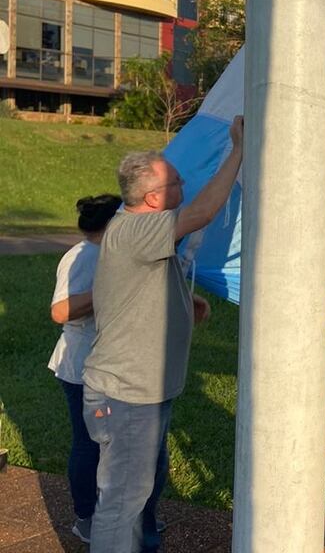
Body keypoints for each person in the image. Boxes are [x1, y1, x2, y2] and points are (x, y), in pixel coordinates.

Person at [82, 116, 243, 552]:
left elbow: (133, 289)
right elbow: (204, 212)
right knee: (123, 500)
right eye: (175, 182)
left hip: (141, 394)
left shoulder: (139, 233)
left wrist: (182, 305)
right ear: (154, 198)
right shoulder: (137, 228)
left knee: (144, 489)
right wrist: (238, 151)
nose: (183, 184)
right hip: (126, 396)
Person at [48, 194, 121, 543]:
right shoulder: (81, 256)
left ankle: (114, 516)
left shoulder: (105, 254)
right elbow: (60, 311)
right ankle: (85, 517)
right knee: (88, 443)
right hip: (80, 366)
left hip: (105, 363)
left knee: (109, 444)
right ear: (110, 224)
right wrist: (105, 289)